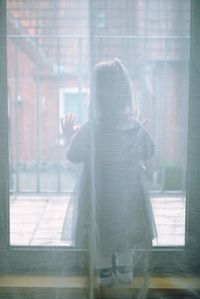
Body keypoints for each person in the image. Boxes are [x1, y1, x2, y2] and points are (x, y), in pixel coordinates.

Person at [61, 59, 157, 287]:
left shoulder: (90, 128)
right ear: (125, 94)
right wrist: (138, 133)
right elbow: (149, 151)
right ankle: (125, 267)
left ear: (94, 96)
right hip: (126, 194)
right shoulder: (133, 126)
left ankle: (103, 270)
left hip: (99, 195)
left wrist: (68, 136)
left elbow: (73, 155)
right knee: (126, 229)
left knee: (100, 231)